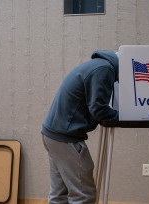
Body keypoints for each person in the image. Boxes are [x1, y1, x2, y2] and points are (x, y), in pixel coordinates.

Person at [41, 50, 119, 203]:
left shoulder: (97, 65)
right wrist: (123, 116)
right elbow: (99, 109)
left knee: (59, 195)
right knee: (83, 195)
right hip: (66, 138)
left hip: (51, 134)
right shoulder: (105, 69)